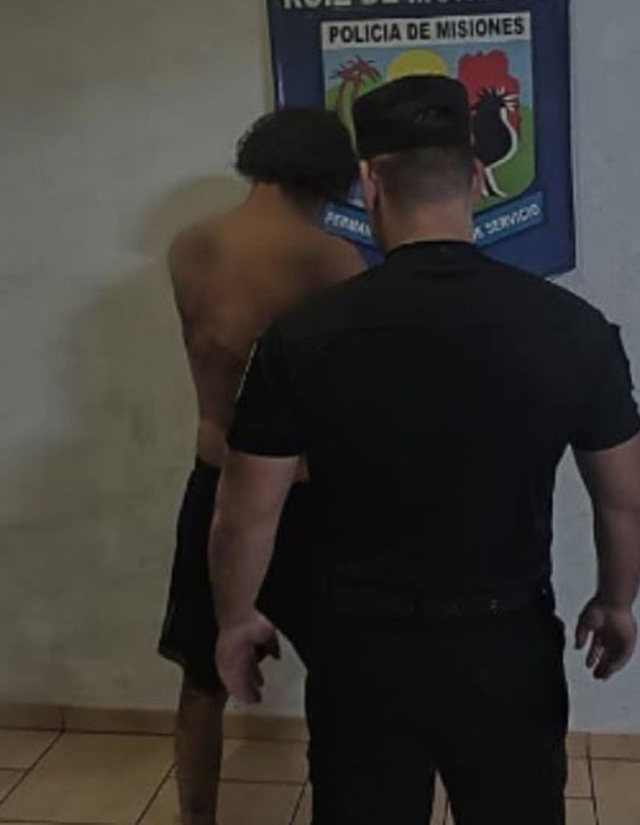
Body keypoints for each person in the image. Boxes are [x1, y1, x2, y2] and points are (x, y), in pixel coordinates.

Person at [211, 75, 640, 825]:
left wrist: (236, 616)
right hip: (507, 649)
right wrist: (614, 600)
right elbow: (625, 499)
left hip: (363, 654)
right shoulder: (574, 330)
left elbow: (244, 516)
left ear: (370, 181)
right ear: (475, 175)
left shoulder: (302, 338)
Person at [158, 107, 364, 825]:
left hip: (215, 480)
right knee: (345, 671)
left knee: (201, 676)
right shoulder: (331, 258)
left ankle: (196, 819)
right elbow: (348, 396)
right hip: (303, 492)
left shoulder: (189, 246)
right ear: (330, 175)